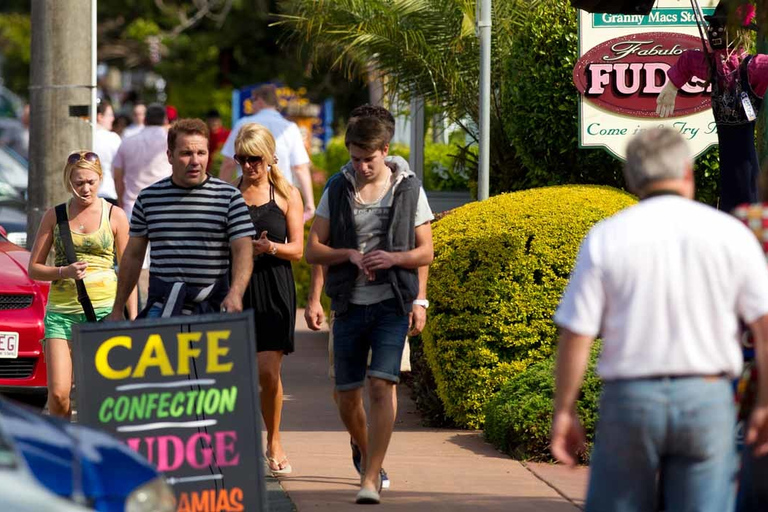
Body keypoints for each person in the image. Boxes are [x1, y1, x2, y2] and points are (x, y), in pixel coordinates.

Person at [551, 127, 768, 512]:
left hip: (630, 399)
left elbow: (577, 333)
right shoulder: (730, 235)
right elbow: (763, 329)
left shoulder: (607, 236)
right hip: (707, 398)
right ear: (688, 171)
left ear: (632, 178)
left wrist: (565, 410)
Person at [306, 108, 434, 504]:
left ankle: (371, 475)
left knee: (382, 384)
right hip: (348, 303)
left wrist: (403, 274)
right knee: (346, 395)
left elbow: (425, 251)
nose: (360, 166)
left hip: (391, 304)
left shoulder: (409, 189)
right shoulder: (337, 187)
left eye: (368, 158)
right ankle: (363, 449)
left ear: (385, 150)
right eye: (354, 158)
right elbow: (313, 250)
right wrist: (347, 254)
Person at [108, 118, 255, 321]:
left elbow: (243, 249)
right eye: (186, 153)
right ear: (170, 156)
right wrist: (118, 307)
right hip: (163, 308)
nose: (195, 161)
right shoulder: (149, 198)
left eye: (201, 153)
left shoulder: (228, 197)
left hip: (212, 308)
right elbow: (133, 256)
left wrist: (236, 293)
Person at [27, 151, 137, 418]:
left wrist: (131, 316)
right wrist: (63, 271)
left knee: (101, 395)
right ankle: (65, 449)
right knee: (58, 394)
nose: (85, 189)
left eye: (91, 182)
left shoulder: (115, 215)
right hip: (61, 314)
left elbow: (128, 269)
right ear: (69, 182)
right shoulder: (55, 216)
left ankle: (96, 451)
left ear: (100, 179)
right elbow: (34, 269)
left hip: (104, 313)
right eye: (78, 183)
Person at [233, 123, 304, 474]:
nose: (249, 166)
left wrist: (270, 247)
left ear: (270, 157)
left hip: (274, 286)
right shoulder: (229, 195)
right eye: (242, 159)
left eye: (255, 159)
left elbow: (298, 249)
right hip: (237, 288)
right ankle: (241, 442)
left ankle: (273, 439)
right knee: (238, 373)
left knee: (267, 370)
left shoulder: (287, 193)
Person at [657, 0, 768, 212]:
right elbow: (688, 60)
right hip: (726, 169)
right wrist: (671, 86)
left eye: (722, 25)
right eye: (713, 26)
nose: (715, 31)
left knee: (748, 206)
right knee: (728, 208)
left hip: (747, 167)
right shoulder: (711, 66)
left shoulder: (751, 67)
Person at [220, 85, 315, 222]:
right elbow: (300, 168)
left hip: (246, 198)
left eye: (252, 101)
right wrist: (309, 203)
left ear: (259, 100)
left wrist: (220, 198)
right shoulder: (289, 128)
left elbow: (229, 163)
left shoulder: (244, 124)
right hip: (282, 199)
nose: (251, 105)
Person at [93, 99, 121, 201]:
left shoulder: (83, 136)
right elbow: (120, 168)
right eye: (110, 115)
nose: (113, 118)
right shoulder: (113, 138)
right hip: (109, 192)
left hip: (88, 195)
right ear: (100, 117)